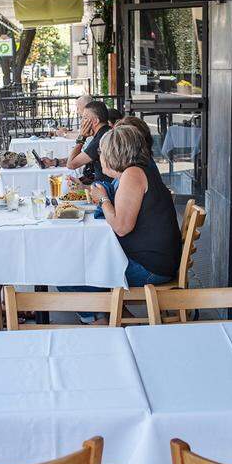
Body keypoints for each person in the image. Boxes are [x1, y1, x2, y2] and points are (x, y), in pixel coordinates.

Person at [60, 125, 181, 323]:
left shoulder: (133, 175)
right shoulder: (138, 170)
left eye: (102, 152)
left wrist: (103, 200)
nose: (100, 156)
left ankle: (98, 319)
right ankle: (114, 314)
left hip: (151, 269)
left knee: (68, 271)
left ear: (114, 153)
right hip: (157, 261)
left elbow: (121, 227)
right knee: (82, 261)